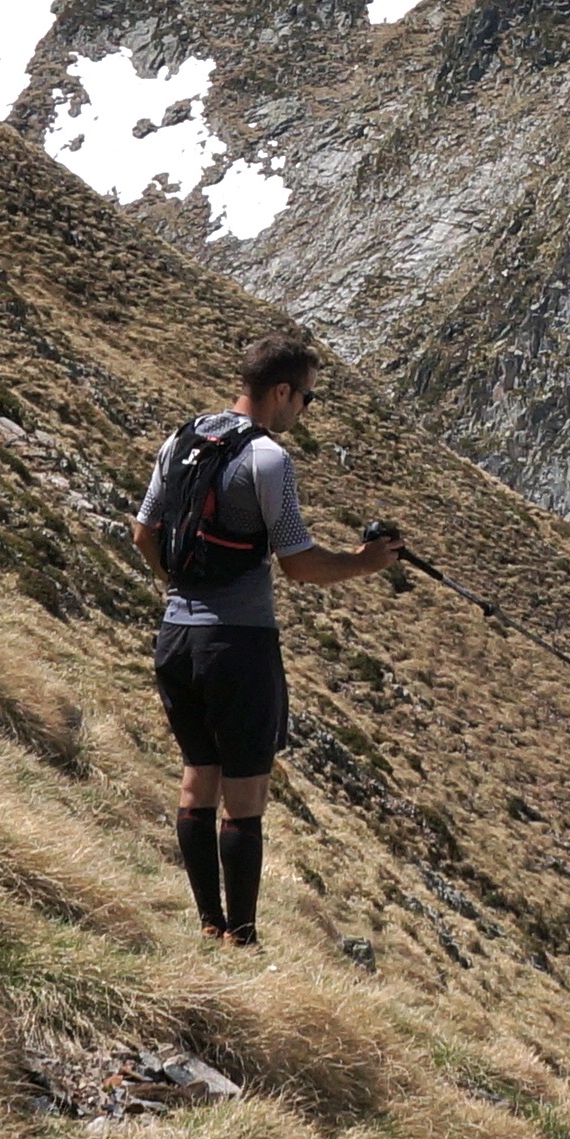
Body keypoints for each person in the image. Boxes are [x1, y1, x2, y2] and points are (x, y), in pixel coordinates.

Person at [134, 332, 404, 945]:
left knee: (197, 774)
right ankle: (244, 935)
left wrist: (176, 587)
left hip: (176, 637)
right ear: (281, 391)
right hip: (240, 645)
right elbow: (299, 564)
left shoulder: (179, 439)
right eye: (305, 399)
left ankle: (208, 924)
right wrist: (365, 562)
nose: (303, 410)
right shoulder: (269, 460)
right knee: (245, 793)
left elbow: (143, 532)